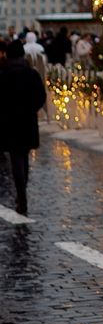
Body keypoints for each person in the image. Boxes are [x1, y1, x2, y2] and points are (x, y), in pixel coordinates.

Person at [0, 39, 47, 215]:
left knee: (15, 159)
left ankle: (21, 194)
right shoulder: (31, 74)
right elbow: (41, 96)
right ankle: (22, 192)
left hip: (9, 122)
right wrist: (31, 109)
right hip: (27, 121)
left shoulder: (3, 74)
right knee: (24, 158)